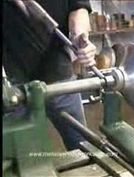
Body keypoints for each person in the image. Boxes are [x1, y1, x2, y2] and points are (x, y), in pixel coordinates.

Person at [3, 0, 96, 150]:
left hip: (58, 75)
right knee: (21, 157)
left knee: (82, 145)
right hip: (11, 85)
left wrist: (80, 38)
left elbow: (78, 7)